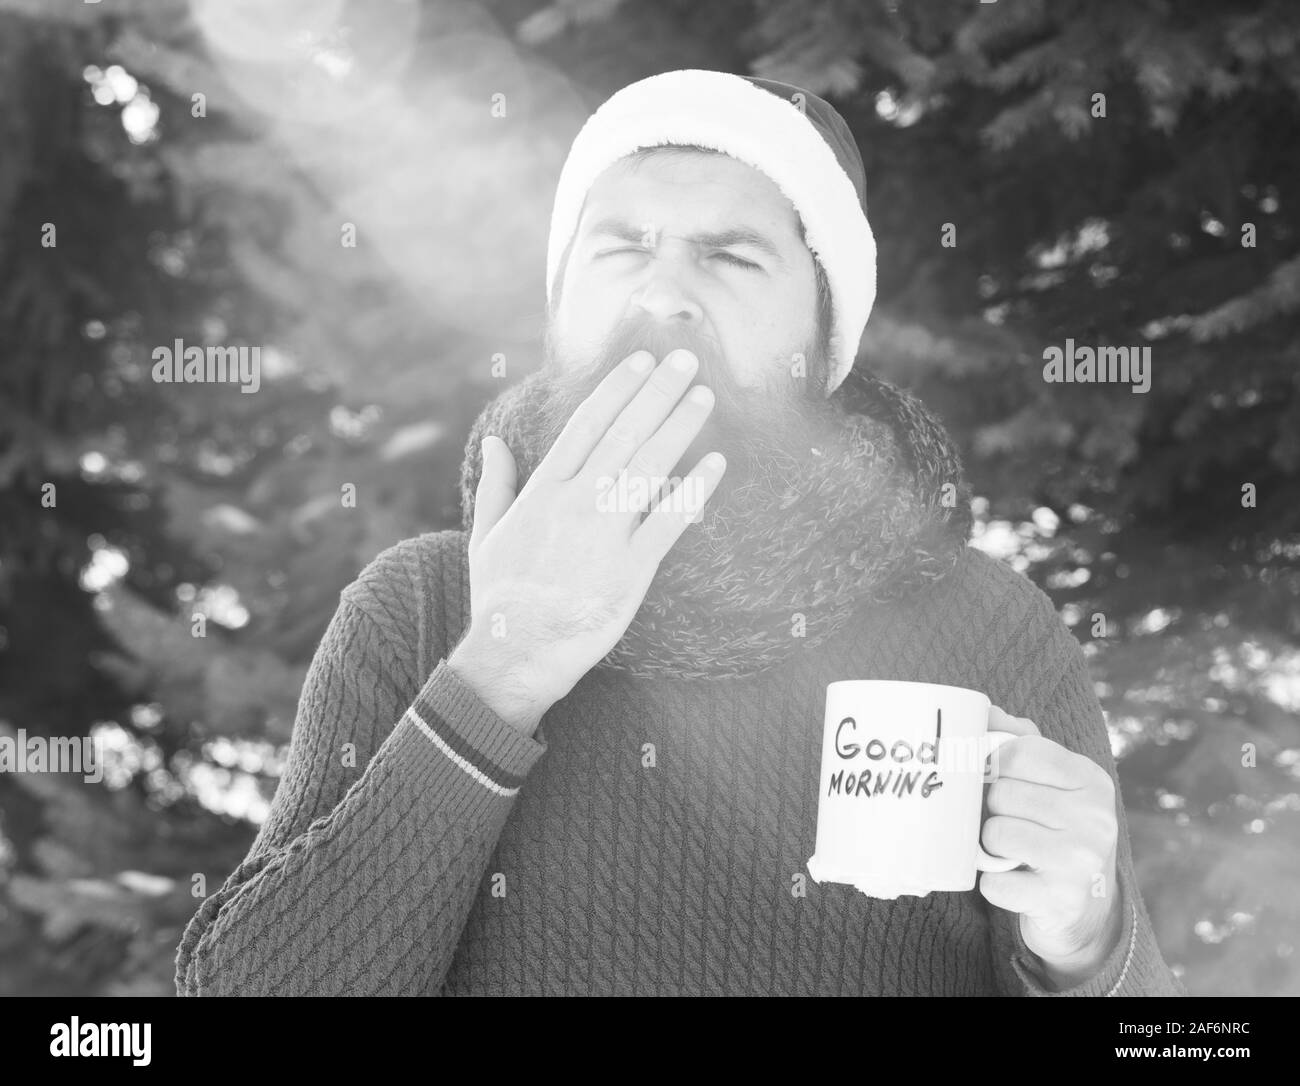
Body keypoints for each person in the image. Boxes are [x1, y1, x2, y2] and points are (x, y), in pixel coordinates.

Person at [175, 68, 1185, 996]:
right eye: (620, 247)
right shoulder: (423, 610)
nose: (661, 294)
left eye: (730, 256)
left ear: (823, 342)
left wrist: (1089, 947)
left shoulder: (987, 630)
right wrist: (499, 673)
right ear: (559, 310)